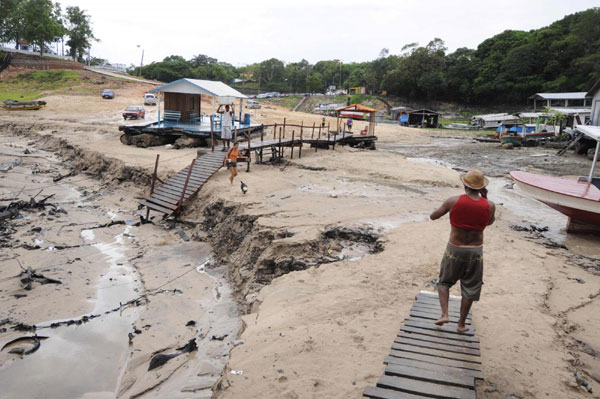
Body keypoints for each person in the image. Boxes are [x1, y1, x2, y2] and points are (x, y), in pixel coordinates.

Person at [429, 169, 496, 332]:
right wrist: (485, 199)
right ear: (481, 188)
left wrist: (449, 210)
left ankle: (445, 314)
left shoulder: (453, 201)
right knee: (470, 288)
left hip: (454, 249)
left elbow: (433, 216)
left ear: (465, 184)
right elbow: (489, 222)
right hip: (475, 252)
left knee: (444, 282)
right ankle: (461, 324)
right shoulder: (490, 205)